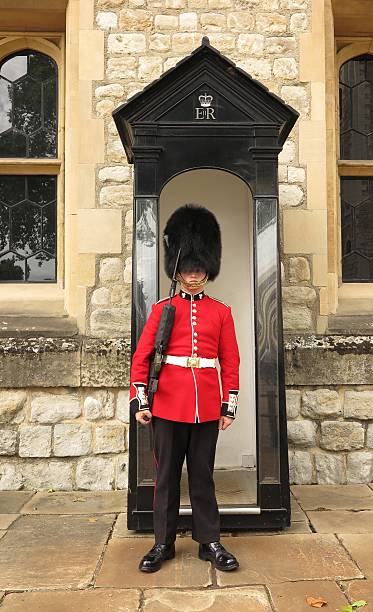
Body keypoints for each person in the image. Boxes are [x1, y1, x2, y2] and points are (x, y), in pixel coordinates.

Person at [129, 204, 240, 573]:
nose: (193, 278)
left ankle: (209, 541)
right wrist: (141, 400)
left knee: (203, 476)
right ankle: (163, 542)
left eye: (199, 270)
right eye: (188, 271)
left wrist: (229, 405)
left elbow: (230, 360)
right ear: (177, 272)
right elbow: (142, 357)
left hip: (206, 406)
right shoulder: (163, 309)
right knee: (165, 477)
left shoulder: (221, 312)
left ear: (209, 269)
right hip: (166, 406)